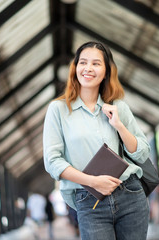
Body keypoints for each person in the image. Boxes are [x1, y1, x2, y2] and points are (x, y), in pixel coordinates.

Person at [43, 41, 150, 240]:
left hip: (130, 194)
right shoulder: (58, 110)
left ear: (106, 70)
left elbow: (142, 152)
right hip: (89, 199)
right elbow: (52, 161)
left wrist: (119, 125)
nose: (88, 68)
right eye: (83, 62)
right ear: (75, 69)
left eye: (96, 63)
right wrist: (92, 182)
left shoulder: (119, 107)